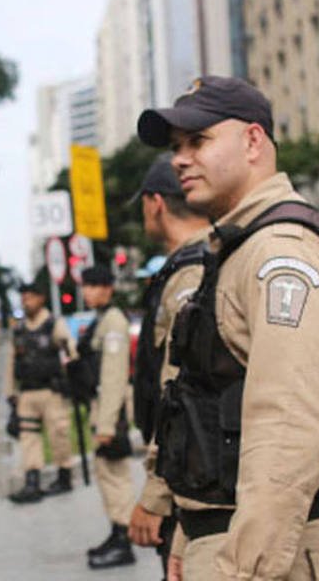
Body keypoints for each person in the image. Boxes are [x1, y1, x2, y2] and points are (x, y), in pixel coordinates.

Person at [137, 75, 319, 580]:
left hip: (274, 554)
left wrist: (244, 571)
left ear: (252, 141)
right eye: (176, 147)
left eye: (198, 141)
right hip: (230, 538)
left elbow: (289, 428)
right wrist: (187, 529)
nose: (179, 159)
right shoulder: (239, 247)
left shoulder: (281, 252)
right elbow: (203, 401)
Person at [126, 157, 211, 578]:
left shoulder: (190, 273)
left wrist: (156, 494)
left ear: (155, 202)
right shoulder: (203, 260)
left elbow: (180, 391)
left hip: (195, 482)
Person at [79, 265, 138, 569]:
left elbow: (114, 376)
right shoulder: (102, 319)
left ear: (106, 289)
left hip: (110, 413)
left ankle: (124, 539)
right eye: (85, 286)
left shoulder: (113, 321)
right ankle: (117, 532)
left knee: (115, 477)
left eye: (92, 286)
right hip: (101, 409)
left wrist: (106, 425)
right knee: (107, 474)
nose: (86, 292)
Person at [3, 281, 76, 504]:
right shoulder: (19, 329)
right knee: (28, 438)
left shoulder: (54, 324)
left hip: (51, 391)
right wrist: (10, 392)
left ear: (41, 298)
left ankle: (64, 478)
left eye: (30, 297)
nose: (26, 301)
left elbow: (70, 352)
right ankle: (32, 483)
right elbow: (12, 361)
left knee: (58, 435)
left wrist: (71, 379)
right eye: (23, 298)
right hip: (27, 393)